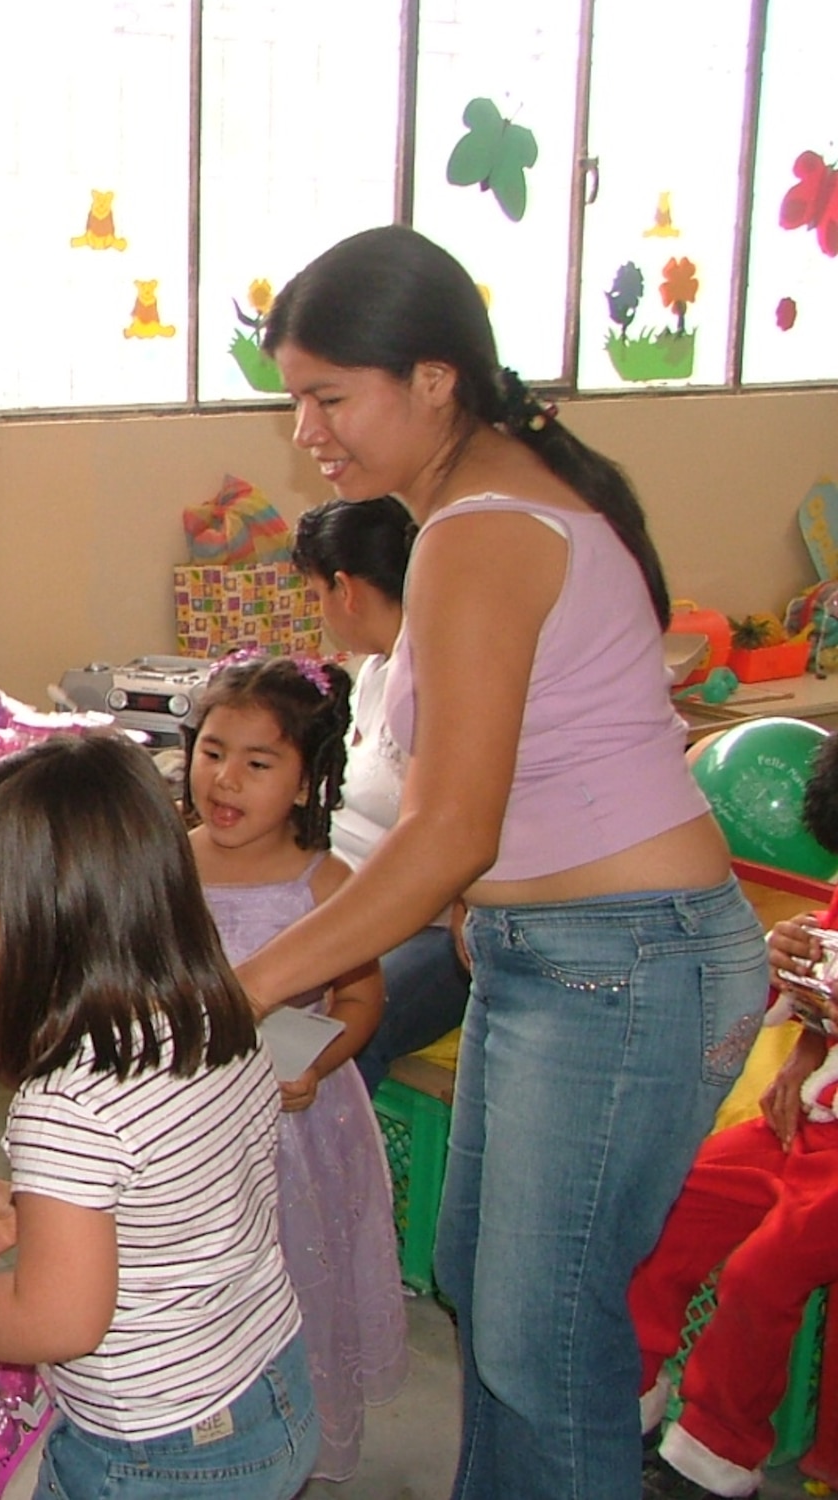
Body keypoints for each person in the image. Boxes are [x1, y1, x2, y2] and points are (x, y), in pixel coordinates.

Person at [234, 223, 767, 1500]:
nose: (307, 429)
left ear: (431, 378)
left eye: (327, 396)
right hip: (568, 954)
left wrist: (242, 985)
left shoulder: (478, 530)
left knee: (543, 1340)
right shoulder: (505, 499)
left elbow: (446, 829)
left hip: (622, 964)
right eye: (294, 398)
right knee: (491, 1291)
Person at [0, 732, 317, 1500]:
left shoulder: (68, 1103)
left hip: (156, 1452)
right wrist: (43, 1217)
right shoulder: (219, 1012)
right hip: (268, 1384)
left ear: (53, 913)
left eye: (2, 899)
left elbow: (56, 1322)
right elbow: (175, 1202)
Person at [184, 652, 409, 1481]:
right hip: (191, 1137)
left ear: (309, 778)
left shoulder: (329, 884)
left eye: (258, 762)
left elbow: (358, 1004)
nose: (226, 781)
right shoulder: (168, 867)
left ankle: (296, 1448)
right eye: (212, 752)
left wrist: (318, 1066)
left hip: (301, 1133)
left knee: (299, 1290)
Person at [628, 728, 838, 1499]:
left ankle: (716, 1454)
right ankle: (630, 1396)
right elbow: (814, 1005)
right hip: (808, 1127)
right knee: (673, 1203)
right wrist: (800, 990)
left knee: (762, 1271)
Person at [291, 496, 472, 1095]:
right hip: (354, 907)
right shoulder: (373, 671)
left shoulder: (440, 675)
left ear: (345, 588)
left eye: (315, 593)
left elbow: (458, 831)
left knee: (329, 1031)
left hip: (430, 931)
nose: (319, 610)